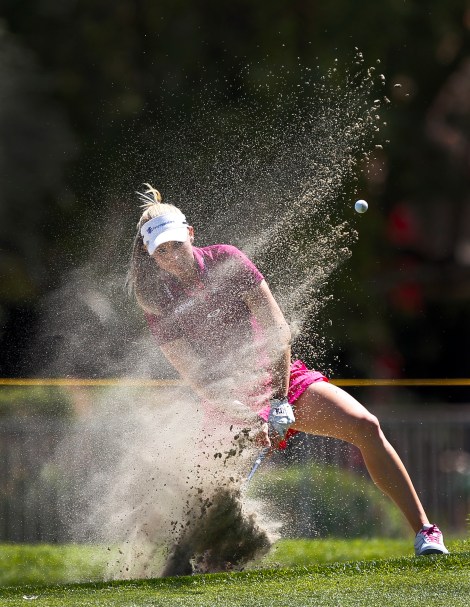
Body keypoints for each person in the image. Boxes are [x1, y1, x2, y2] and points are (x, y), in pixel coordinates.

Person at [127, 184, 449, 557]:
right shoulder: (156, 303)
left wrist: (278, 400)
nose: (172, 257)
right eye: (161, 252)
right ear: (151, 257)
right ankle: (206, 555)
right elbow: (199, 378)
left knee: (366, 426)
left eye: (176, 245)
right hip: (227, 402)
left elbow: (277, 329)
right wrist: (248, 415)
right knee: (206, 496)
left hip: (280, 377)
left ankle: (426, 532)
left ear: (190, 235)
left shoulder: (227, 260)